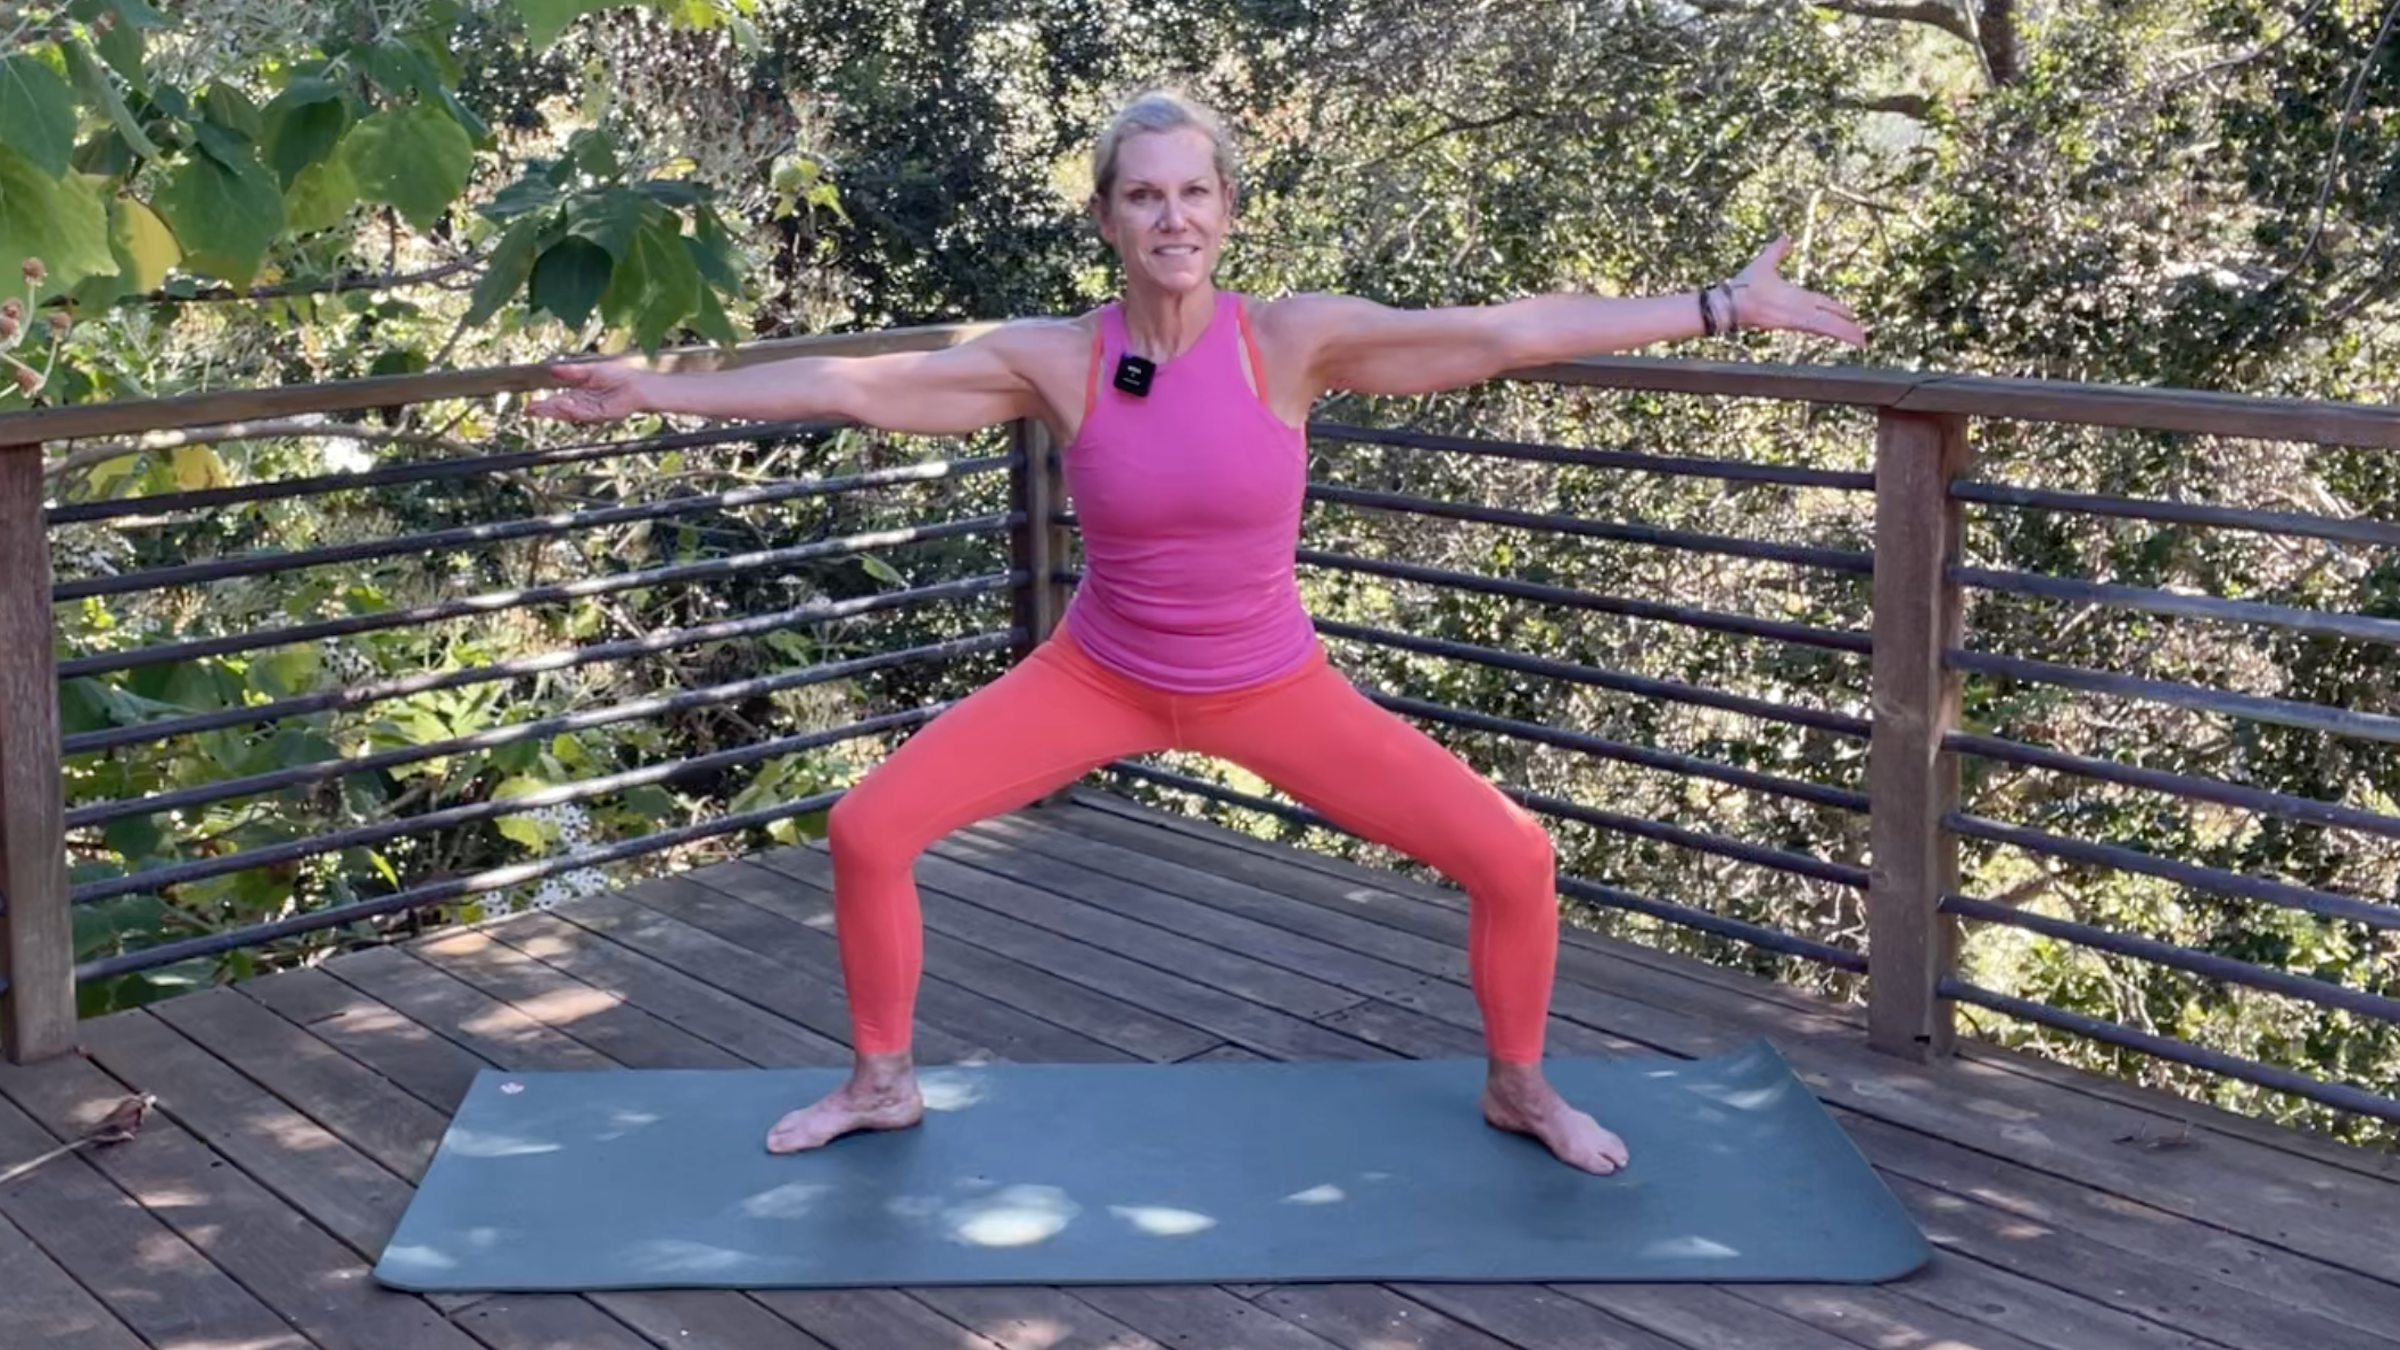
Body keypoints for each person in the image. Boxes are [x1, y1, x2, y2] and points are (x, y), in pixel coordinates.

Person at [528, 88, 1865, 1175]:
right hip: (1098, 675)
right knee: (869, 826)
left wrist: (1715, 303)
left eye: (1194, 191)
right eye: (1144, 193)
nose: (1172, 216)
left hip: (1269, 686)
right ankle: (881, 1082)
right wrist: (651, 389)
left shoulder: (1289, 342)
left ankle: (1519, 1087)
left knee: (1513, 856)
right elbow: (857, 384)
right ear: (1109, 216)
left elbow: (1503, 332)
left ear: (1228, 210)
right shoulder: (1055, 356)